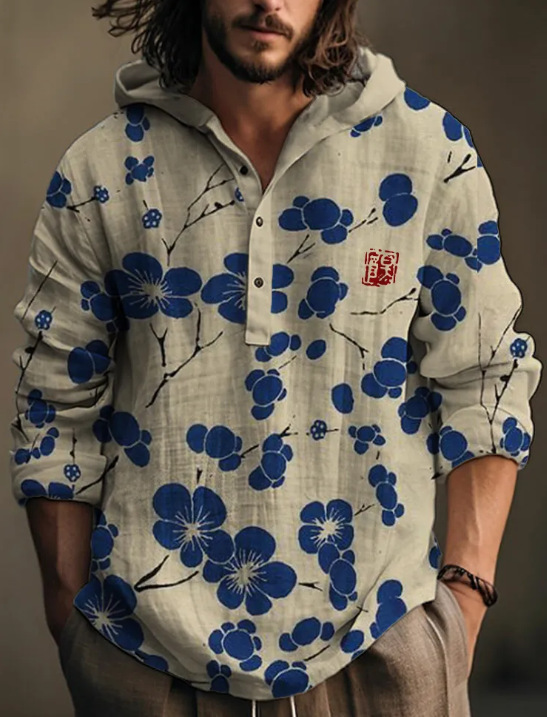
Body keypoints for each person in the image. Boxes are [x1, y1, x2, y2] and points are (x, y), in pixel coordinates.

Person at [9, 1, 542, 716]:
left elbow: (484, 376)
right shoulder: (101, 169)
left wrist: (462, 605)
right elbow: (54, 400)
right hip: (146, 662)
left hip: (380, 653)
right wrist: (71, 616)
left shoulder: (425, 151)